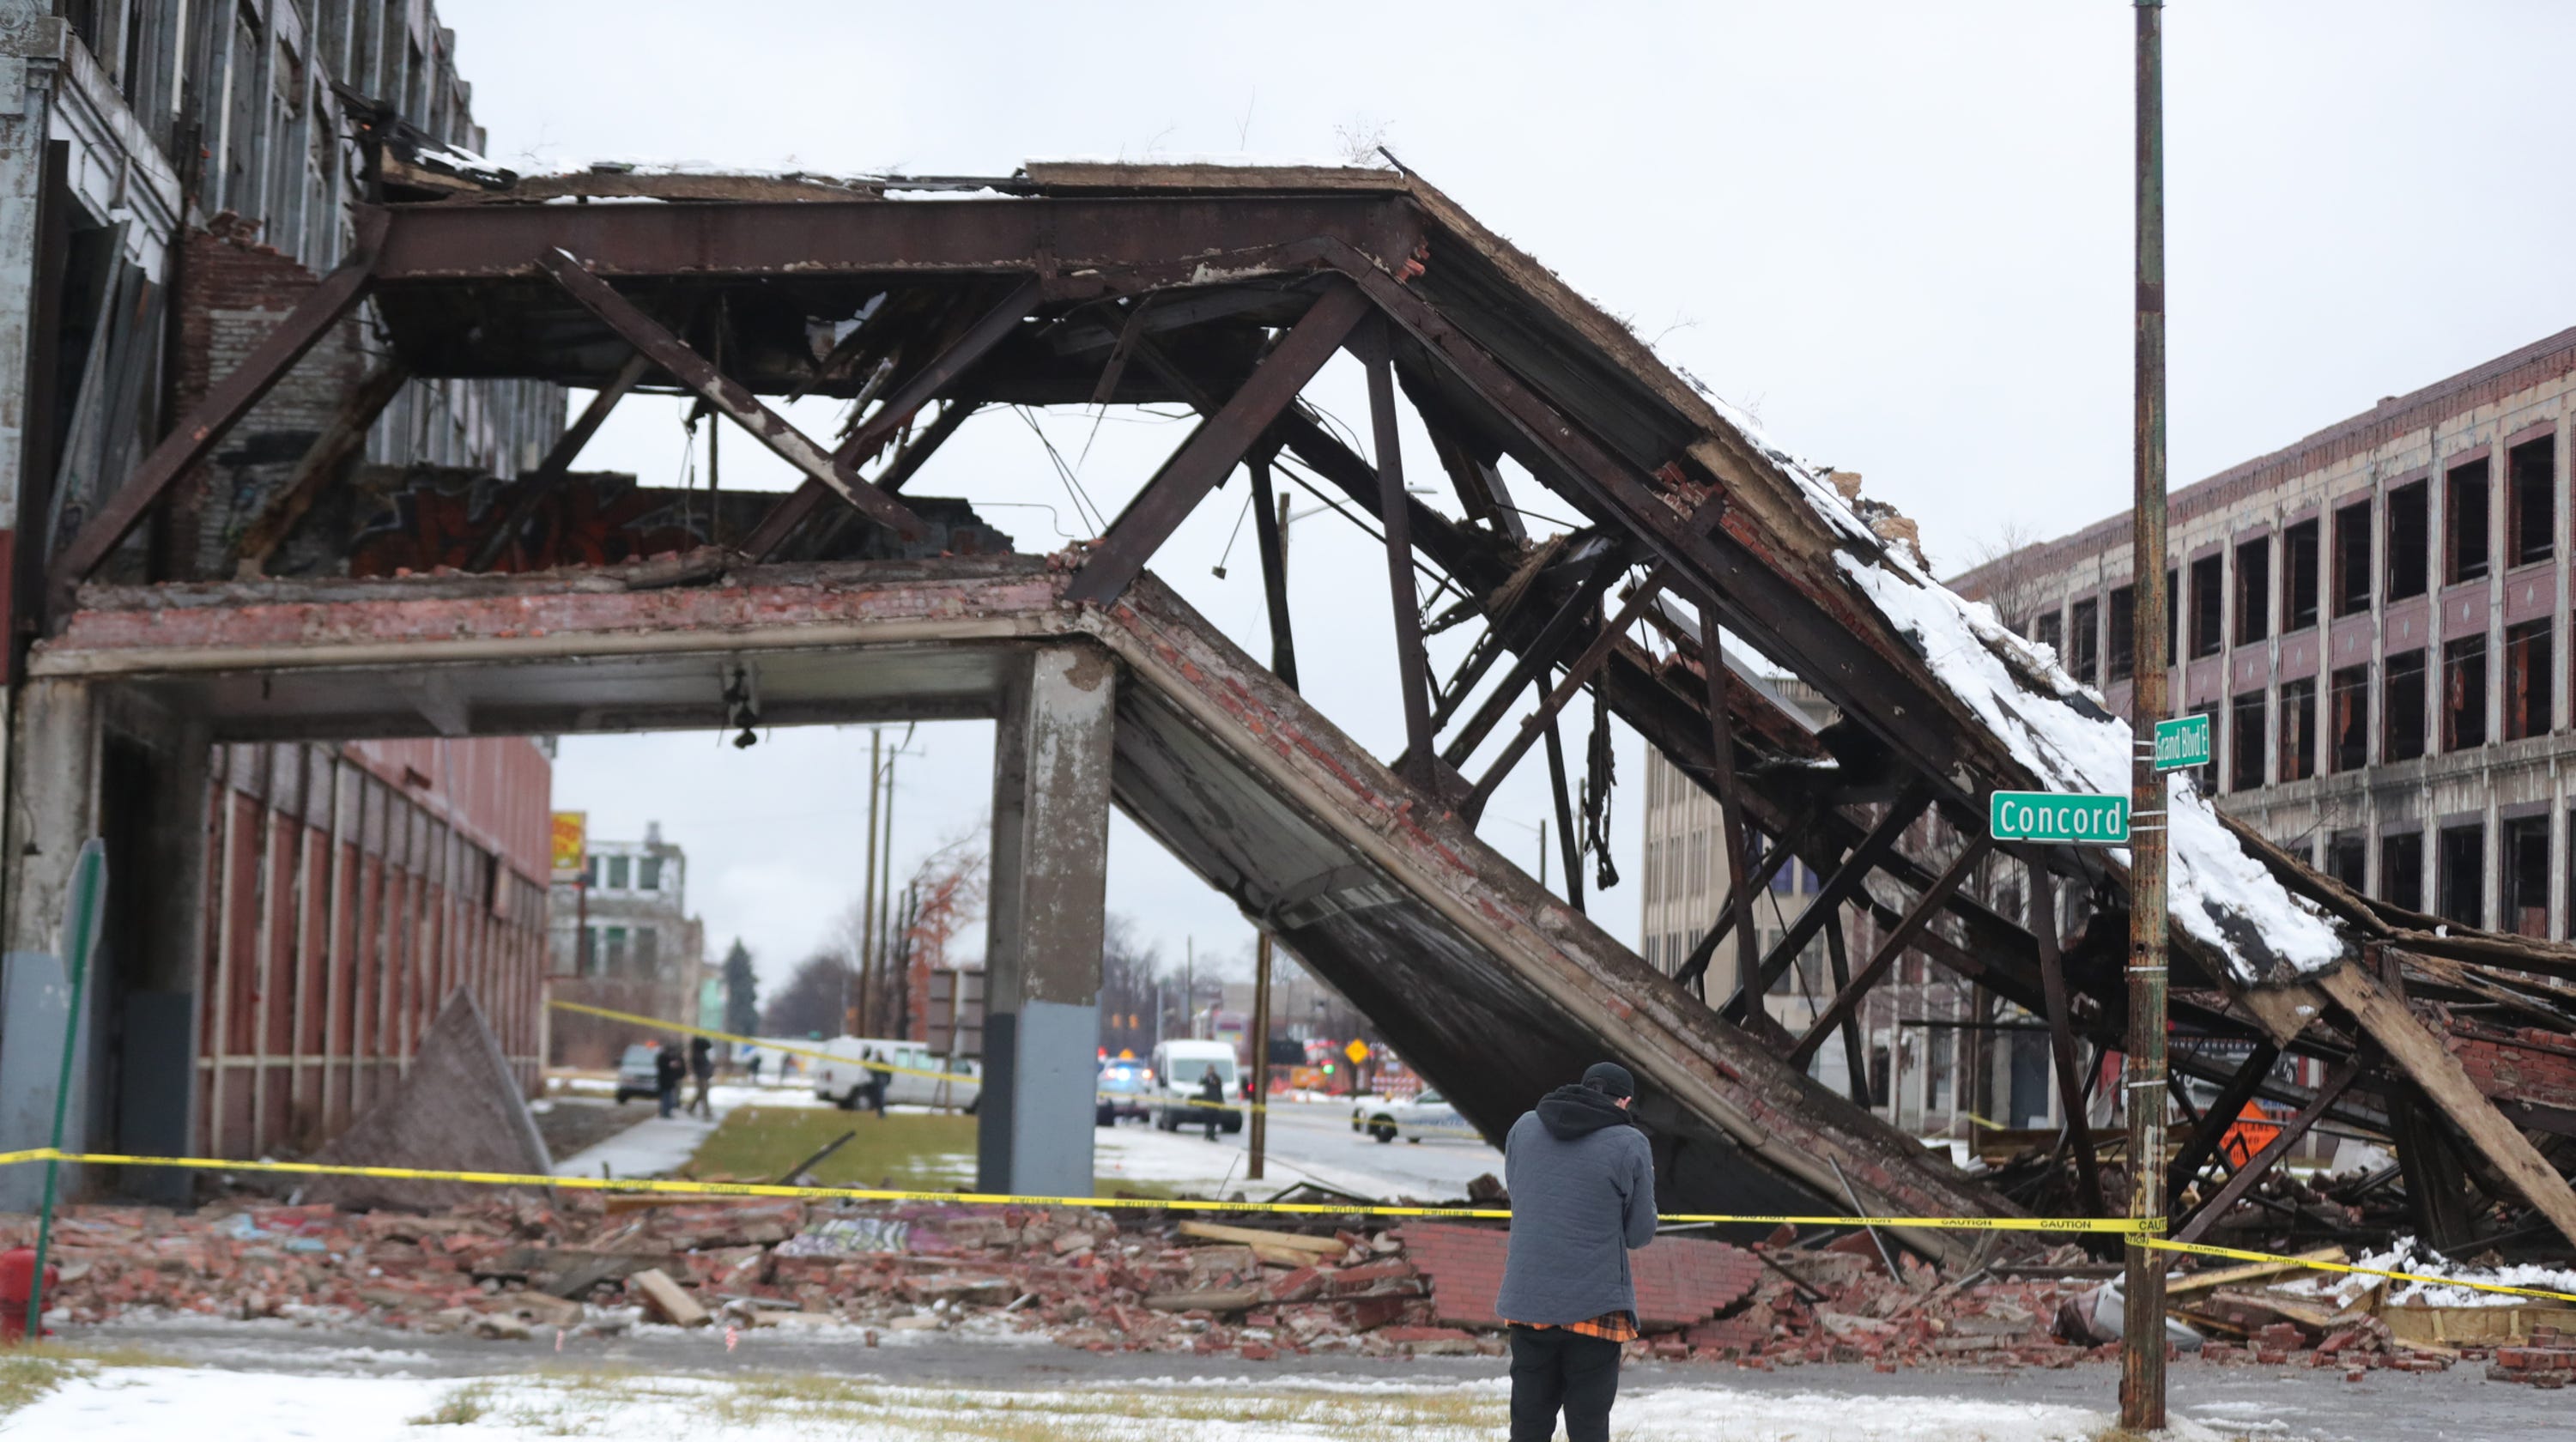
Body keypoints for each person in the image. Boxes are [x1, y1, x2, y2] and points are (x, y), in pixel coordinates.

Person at [1494, 1061, 1656, 1442]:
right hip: (1595, 1309)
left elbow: (1521, 1196)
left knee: (1528, 1425)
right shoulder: (1630, 1143)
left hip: (1528, 1303)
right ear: (1626, 1101)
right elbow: (1639, 1233)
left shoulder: (1524, 1128)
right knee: (1588, 1427)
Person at [652, 1042, 687, 1119]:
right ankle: (665, 1112)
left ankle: (666, 1112)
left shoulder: (670, 1057)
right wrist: (670, 1065)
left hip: (669, 1081)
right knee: (666, 1097)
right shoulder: (662, 1057)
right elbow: (662, 1067)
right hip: (664, 1081)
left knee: (669, 1097)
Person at [687, 1035, 715, 1118]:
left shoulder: (701, 1053)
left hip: (704, 1076)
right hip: (701, 1077)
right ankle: (706, 1112)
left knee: (701, 1093)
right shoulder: (697, 1055)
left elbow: (708, 1046)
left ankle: (690, 1108)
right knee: (704, 1093)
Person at [1197, 1065, 1225, 1142]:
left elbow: (1220, 1089)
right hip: (1207, 1101)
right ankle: (1207, 1134)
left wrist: (1222, 1100)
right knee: (1207, 1118)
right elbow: (1200, 1083)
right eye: (1209, 1070)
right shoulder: (1206, 1078)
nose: (1210, 1071)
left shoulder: (1217, 1078)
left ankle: (1212, 1135)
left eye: (1211, 1069)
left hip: (1215, 1100)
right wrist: (1205, 1076)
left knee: (1214, 1119)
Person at [865, 1047, 893, 1118]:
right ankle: (879, 1113)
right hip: (876, 1083)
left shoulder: (884, 1063)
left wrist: (888, 1081)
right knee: (877, 1098)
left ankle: (882, 1113)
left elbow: (889, 1073)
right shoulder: (876, 1063)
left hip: (881, 1083)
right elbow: (871, 1071)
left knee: (881, 1098)